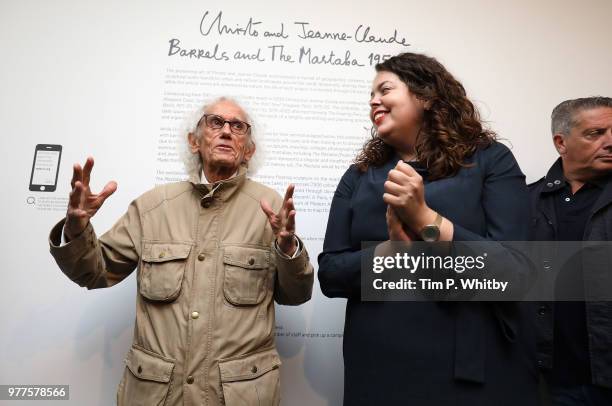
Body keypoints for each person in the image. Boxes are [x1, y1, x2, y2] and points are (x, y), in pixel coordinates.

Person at [48, 97, 314, 406]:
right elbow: (93, 272)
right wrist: (77, 230)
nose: (227, 131)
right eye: (215, 122)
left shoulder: (270, 208)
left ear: (249, 150)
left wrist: (287, 247)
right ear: (193, 141)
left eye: (238, 126)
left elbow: (296, 294)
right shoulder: (152, 207)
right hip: (156, 395)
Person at [318, 52, 537, 405]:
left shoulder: (489, 160)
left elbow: (516, 272)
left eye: (385, 89)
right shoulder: (358, 176)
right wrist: (390, 252)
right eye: (371, 95)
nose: (374, 100)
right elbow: (330, 275)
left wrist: (424, 220)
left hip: (468, 371)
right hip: (378, 368)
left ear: (426, 95)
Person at [530, 97, 612, 405]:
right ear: (561, 143)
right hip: (545, 382)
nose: (610, 142)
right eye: (596, 133)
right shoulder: (526, 202)